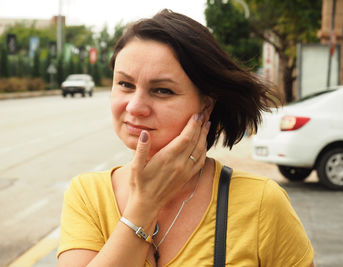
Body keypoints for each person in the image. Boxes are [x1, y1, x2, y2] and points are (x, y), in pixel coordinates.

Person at [57, 9, 314, 267]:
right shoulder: (88, 196)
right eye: (125, 84)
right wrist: (145, 205)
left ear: (205, 106)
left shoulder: (261, 202)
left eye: (162, 90)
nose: (135, 106)